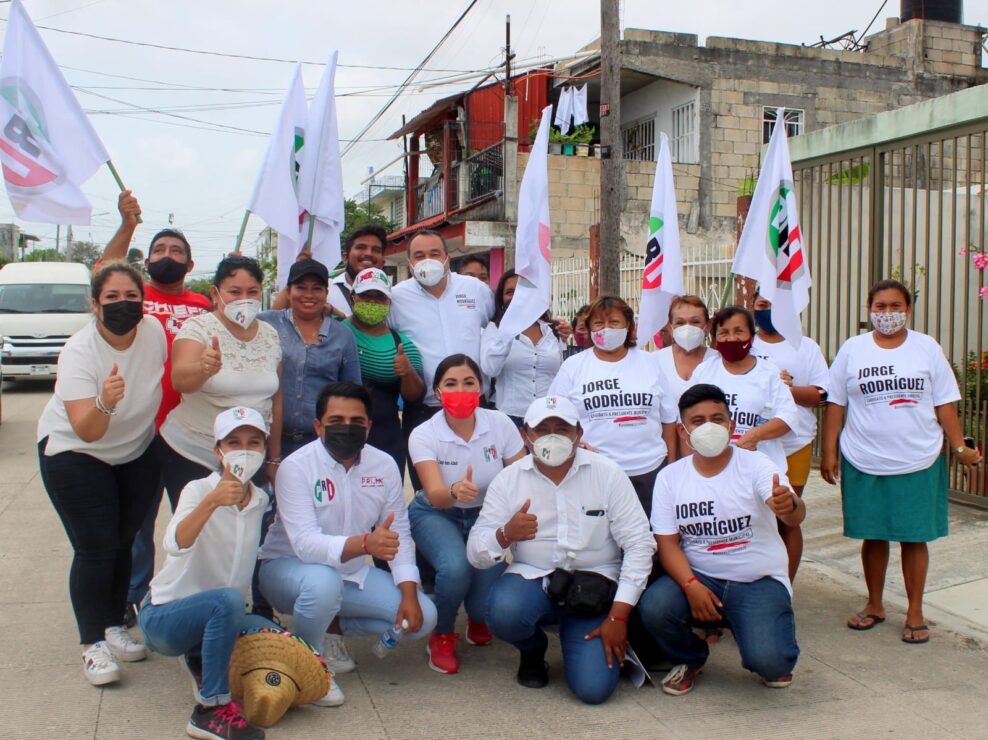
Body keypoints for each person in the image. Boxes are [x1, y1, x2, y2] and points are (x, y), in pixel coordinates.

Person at [821, 279, 981, 643]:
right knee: (873, 535)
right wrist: (829, 452)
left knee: (914, 537)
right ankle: (875, 604)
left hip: (918, 458)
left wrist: (959, 447)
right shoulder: (853, 349)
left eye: (896, 306)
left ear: (907, 310)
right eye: (880, 306)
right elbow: (835, 404)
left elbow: (945, 403)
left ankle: (915, 611)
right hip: (863, 458)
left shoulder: (926, 348)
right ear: (869, 309)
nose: (888, 314)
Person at [467, 395, 656, 704]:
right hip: (533, 577)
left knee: (593, 690)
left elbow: (639, 543)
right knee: (503, 611)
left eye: (562, 428)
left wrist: (618, 617)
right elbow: (475, 552)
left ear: (578, 434)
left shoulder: (607, 472)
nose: (552, 437)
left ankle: (580, 634)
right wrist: (505, 534)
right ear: (525, 436)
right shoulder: (508, 480)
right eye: (542, 429)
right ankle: (532, 649)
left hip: (593, 583)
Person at [258, 382, 438, 703]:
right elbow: (306, 545)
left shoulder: (383, 465)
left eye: (357, 422)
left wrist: (409, 589)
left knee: (423, 616)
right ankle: (308, 667)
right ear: (318, 426)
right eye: (336, 421)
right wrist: (367, 543)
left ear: (369, 426)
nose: (347, 428)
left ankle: (331, 628)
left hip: (351, 575)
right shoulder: (295, 467)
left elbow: (399, 534)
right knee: (323, 581)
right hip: (287, 570)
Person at [36, 262, 166, 686]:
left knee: (125, 541)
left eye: (132, 296)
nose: (123, 305)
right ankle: (92, 643)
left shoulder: (154, 334)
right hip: (77, 451)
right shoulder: (79, 351)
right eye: (111, 298)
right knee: (96, 546)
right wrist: (106, 401)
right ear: (94, 304)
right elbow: (87, 429)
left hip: (135, 451)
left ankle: (113, 622)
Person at [639, 383, 804, 696]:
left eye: (718, 419)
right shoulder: (670, 477)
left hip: (757, 579)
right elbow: (668, 543)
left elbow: (793, 515)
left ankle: (757, 623)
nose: (709, 427)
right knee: (655, 607)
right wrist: (691, 586)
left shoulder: (756, 465)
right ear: (683, 430)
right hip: (702, 577)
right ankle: (689, 658)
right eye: (698, 421)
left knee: (773, 666)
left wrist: (789, 506)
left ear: (731, 424)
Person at [98, 192, 215, 625]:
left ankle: (192, 593)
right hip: (139, 433)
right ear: (145, 262)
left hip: (188, 433)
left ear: (190, 265)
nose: (167, 256)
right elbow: (103, 272)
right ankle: (133, 599)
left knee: (195, 518)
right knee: (136, 528)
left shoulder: (204, 306)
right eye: (159, 250)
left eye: (177, 251)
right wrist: (127, 226)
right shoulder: (132, 296)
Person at [139, 407, 283, 739]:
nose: (244, 450)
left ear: (264, 450)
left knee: (278, 638)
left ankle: (198, 655)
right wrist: (212, 502)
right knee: (227, 602)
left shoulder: (260, 500)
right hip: (164, 616)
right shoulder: (198, 490)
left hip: (218, 612)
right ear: (218, 451)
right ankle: (210, 709)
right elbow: (175, 542)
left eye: (254, 442)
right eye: (234, 442)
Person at [407, 354, 526, 674]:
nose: (460, 389)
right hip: (436, 514)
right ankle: (442, 633)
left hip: (487, 515)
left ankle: (475, 617)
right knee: (455, 567)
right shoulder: (424, 434)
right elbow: (434, 495)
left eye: (469, 382)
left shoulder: (499, 423)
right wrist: (455, 490)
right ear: (437, 391)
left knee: (483, 606)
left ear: (481, 387)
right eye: (451, 383)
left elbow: (521, 474)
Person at [160, 256, 282, 509]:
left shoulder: (270, 335)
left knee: (247, 534)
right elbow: (180, 379)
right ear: (216, 294)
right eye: (235, 292)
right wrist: (203, 368)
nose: (244, 299)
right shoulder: (198, 328)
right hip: (194, 453)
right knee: (199, 534)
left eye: (252, 292)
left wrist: (274, 457)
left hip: (250, 456)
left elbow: (276, 399)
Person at [548, 295, 678, 516]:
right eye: (599, 323)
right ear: (588, 328)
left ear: (629, 326)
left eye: (614, 322)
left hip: (649, 471)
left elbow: (668, 419)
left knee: (649, 542)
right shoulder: (574, 366)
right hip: (594, 472)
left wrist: (671, 468)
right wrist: (574, 445)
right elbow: (555, 417)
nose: (606, 329)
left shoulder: (649, 363)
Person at [389, 229, 494, 483]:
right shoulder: (396, 298)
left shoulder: (475, 290)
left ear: (447, 258)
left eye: (434, 253)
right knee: (429, 493)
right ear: (410, 263)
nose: (428, 260)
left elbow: (499, 323)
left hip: (475, 407)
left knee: (482, 484)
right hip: (425, 411)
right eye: (419, 255)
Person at [751, 292, 830, 579]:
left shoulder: (806, 347)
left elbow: (823, 395)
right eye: (761, 305)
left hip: (794, 445)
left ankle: (786, 586)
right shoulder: (745, 343)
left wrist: (788, 390)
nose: (768, 311)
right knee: (753, 518)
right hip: (752, 446)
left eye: (775, 305)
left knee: (787, 518)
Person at [259, 258, 361, 459]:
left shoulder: (343, 335)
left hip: (321, 445)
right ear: (288, 292)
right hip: (266, 441)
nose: (309, 295)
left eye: (317, 288)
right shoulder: (266, 324)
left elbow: (352, 391)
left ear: (326, 293)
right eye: (300, 287)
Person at [690, 306, 799, 474]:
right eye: (724, 333)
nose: (731, 338)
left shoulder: (770, 373)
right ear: (715, 338)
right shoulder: (703, 372)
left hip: (761, 468)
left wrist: (756, 434)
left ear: (752, 337)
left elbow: (788, 417)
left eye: (739, 331)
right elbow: (688, 416)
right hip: (714, 468)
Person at [343, 267, 425, 475]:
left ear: (388, 302)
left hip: (386, 438)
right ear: (353, 297)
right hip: (342, 432)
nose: (372, 302)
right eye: (366, 296)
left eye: (379, 297)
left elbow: (415, 396)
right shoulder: (336, 332)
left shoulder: (401, 344)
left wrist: (407, 372)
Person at [480, 269, 570, 426]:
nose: (517, 297)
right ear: (501, 299)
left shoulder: (553, 331)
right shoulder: (494, 330)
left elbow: (562, 375)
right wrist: (507, 332)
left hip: (549, 418)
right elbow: (490, 369)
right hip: (510, 419)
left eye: (522, 291)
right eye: (510, 292)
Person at [271, 225, 387, 317]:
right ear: (345, 257)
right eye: (361, 247)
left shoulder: (391, 297)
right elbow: (276, 315)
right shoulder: (323, 289)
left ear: (382, 262)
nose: (368, 254)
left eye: (376, 250)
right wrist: (297, 273)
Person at [653, 295, 719, 406]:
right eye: (680, 323)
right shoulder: (654, 361)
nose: (688, 328)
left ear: (707, 327)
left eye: (695, 322)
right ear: (670, 327)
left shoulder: (718, 361)